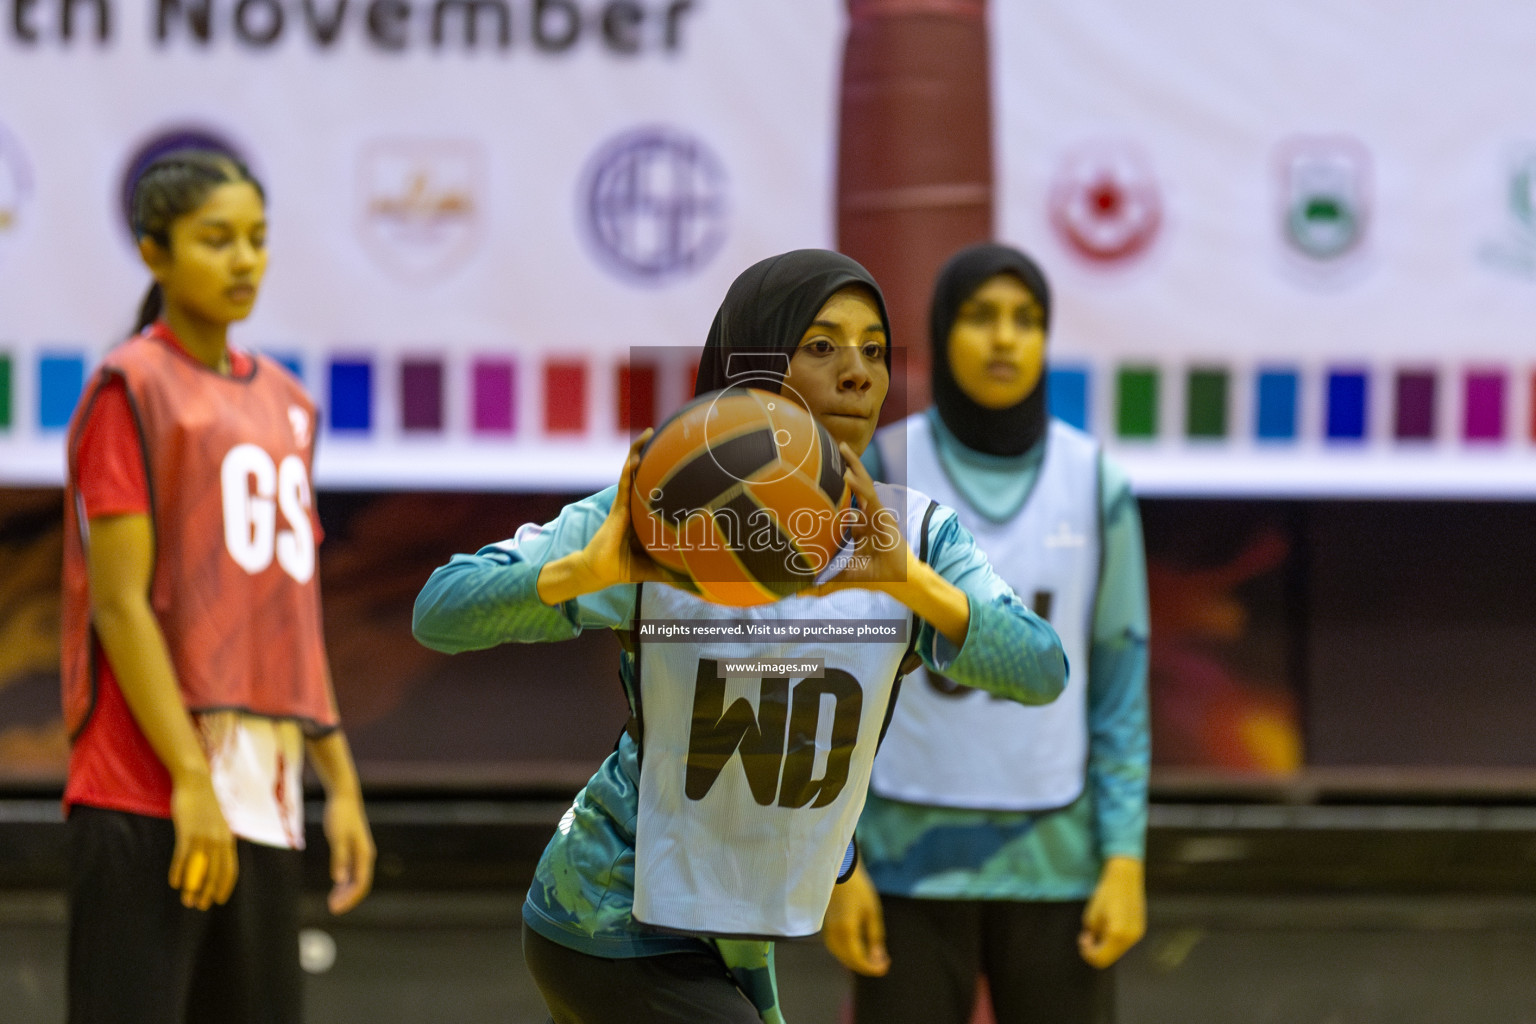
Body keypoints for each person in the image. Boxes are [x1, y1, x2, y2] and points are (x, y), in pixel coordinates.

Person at [411, 248, 1068, 1024]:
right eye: (821, 345)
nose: (858, 371)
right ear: (752, 362)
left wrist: (910, 585)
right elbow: (440, 610)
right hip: (608, 917)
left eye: (875, 350)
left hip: (728, 940)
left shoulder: (916, 535)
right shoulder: (665, 510)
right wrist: (582, 574)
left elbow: (1041, 668)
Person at [60, 149, 375, 1024]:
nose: (243, 260)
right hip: (146, 785)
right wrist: (188, 781)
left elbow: (291, 612)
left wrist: (338, 780)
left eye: (257, 240)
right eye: (215, 240)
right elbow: (121, 607)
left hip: (263, 791)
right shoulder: (131, 388)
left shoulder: (286, 401)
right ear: (154, 252)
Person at [822, 243, 1150, 1024]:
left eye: (1026, 320)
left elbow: (1119, 690)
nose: (1005, 339)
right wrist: (838, 867)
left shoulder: (1093, 479)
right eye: (981, 317)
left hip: (1059, 865)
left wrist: (1126, 859)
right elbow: (832, 683)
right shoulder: (879, 467)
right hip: (902, 866)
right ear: (940, 333)